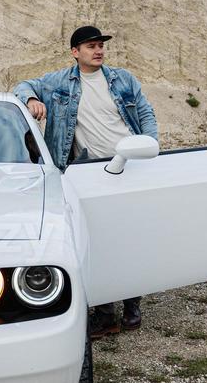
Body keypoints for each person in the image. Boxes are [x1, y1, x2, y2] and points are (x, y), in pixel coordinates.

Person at [12, 25, 159, 339]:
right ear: (75, 52)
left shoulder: (123, 79)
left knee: (131, 237)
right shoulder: (58, 82)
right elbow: (21, 85)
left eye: (101, 45)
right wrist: (32, 100)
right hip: (90, 171)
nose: (98, 50)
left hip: (131, 165)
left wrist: (150, 145)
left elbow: (145, 113)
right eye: (91, 46)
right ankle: (106, 314)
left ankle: (133, 303)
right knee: (97, 240)